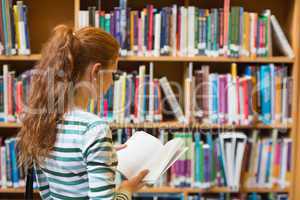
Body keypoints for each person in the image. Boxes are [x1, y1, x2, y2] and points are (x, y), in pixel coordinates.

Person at [17, 25, 148, 200]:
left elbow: (47, 193)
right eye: (113, 74)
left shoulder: (42, 118)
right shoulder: (94, 130)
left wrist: (99, 154)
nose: (113, 82)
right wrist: (127, 189)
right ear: (96, 71)